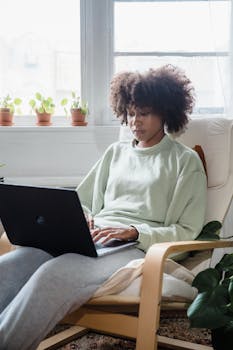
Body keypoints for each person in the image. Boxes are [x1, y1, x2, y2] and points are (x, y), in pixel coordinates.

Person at [0, 64, 207, 350]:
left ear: (166, 112)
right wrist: (82, 220)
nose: (135, 121)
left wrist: (133, 232)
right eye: (131, 113)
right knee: (8, 266)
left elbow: (187, 231)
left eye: (144, 113)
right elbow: (82, 201)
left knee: (53, 275)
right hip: (91, 237)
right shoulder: (116, 153)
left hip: (133, 248)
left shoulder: (184, 162)